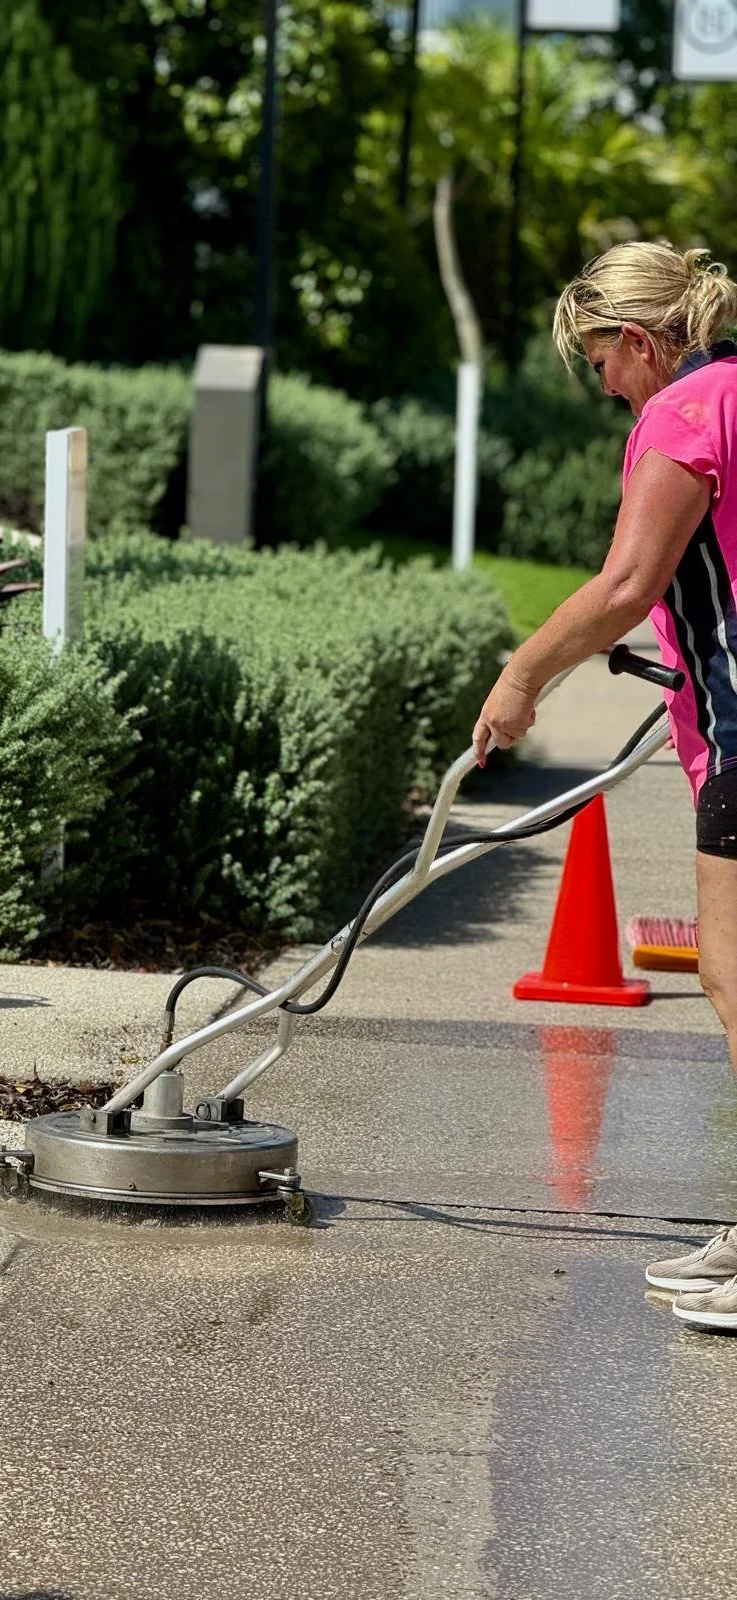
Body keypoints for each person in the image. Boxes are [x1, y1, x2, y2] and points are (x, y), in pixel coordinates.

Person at [471, 239, 737, 1331]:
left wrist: (521, 673)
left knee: (730, 968)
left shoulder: (682, 414)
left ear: (639, 340)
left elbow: (629, 582)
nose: (606, 388)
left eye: (602, 364)